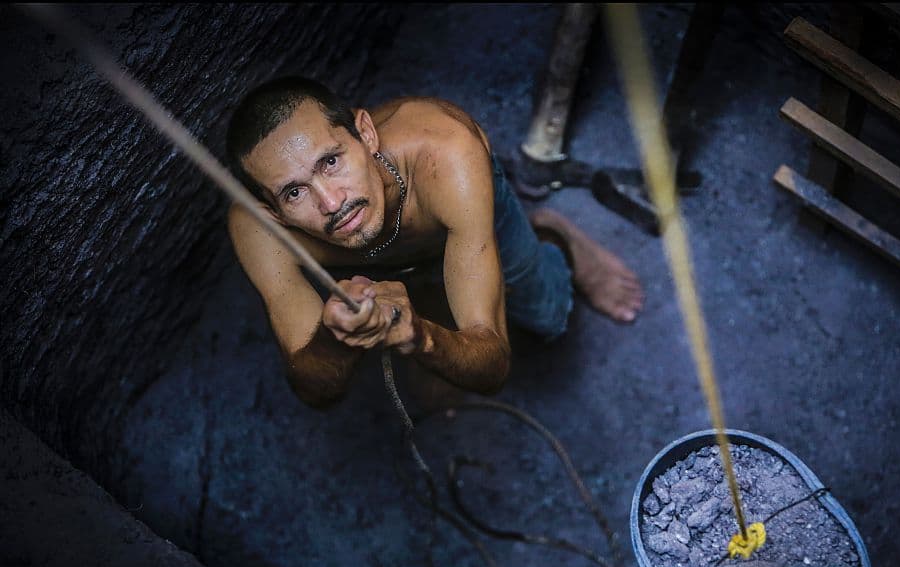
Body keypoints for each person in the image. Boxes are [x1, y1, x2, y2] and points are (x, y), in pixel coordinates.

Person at [225, 77, 644, 408]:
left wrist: (417, 336)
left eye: (331, 162)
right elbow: (315, 391)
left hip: (460, 213)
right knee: (437, 377)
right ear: (272, 212)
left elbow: (493, 367)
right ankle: (425, 289)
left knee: (548, 314)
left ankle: (555, 234)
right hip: (388, 265)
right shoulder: (259, 229)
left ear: (366, 134)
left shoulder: (446, 155)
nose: (332, 202)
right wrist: (337, 337)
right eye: (294, 193)